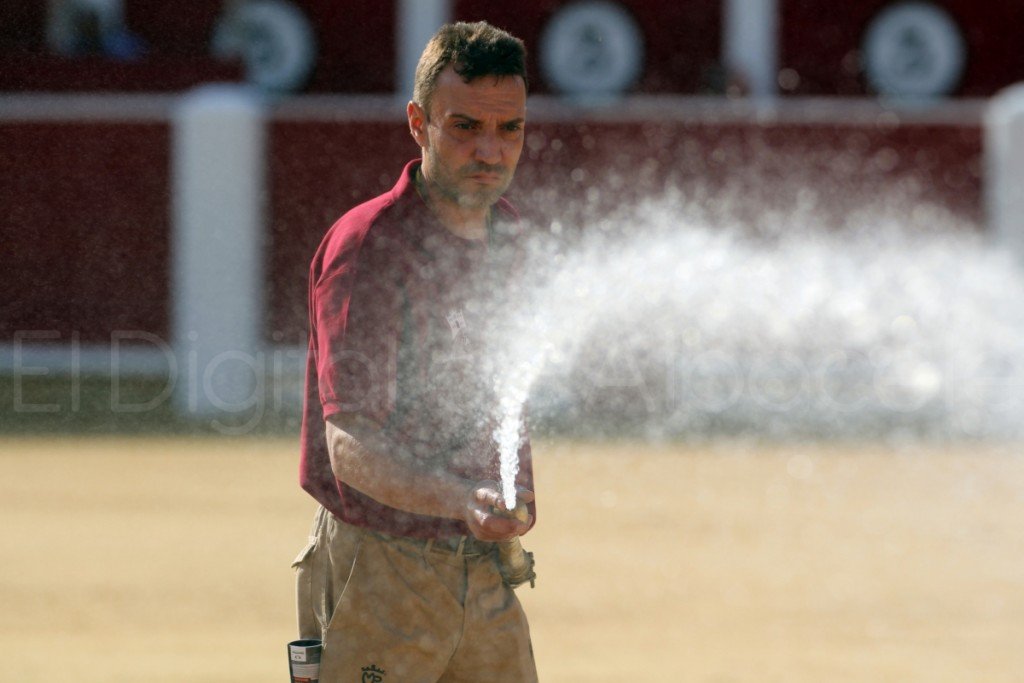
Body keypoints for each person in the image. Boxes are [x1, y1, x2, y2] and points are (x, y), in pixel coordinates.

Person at [294, 21, 538, 682]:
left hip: (482, 568)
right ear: (417, 122)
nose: (491, 149)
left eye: (509, 128)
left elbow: (503, 393)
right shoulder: (368, 246)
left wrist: (513, 499)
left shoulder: (513, 237)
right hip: (378, 568)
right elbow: (349, 448)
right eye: (465, 126)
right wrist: (462, 497)